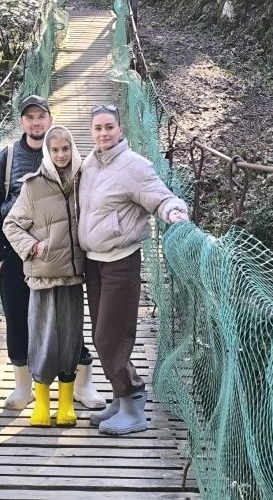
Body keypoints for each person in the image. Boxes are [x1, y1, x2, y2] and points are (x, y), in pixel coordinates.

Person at [0, 95, 104, 410]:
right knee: (18, 317)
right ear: (21, 122)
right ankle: (23, 387)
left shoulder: (69, 158)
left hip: (60, 253)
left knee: (67, 317)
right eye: (29, 117)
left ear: (50, 120)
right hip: (15, 251)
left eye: (41, 116)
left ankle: (81, 381)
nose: (36, 122)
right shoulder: (8, 156)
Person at [77, 103, 190, 436]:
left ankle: (134, 402)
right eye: (97, 128)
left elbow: (160, 197)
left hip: (120, 261)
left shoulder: (135, 165)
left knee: (112, 335)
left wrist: (174, 212)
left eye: (109, 127)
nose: (103, 133)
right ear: (91, 132)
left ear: (120, 129)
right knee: (101, 335)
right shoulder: (89, 164)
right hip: (94, 262)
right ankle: (119, 398)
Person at [3, 124, 85, 426]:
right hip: (42, 274)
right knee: (41, 337)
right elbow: (11, 225)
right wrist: (33, 246)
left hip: (74, 275)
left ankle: (65, 404)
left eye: (65, 148)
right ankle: (41, 404)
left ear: (72, 148)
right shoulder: (33, 185)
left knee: (70, 339)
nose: (61, 154)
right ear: (47, 153)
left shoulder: (84, 179)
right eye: (55, 149)